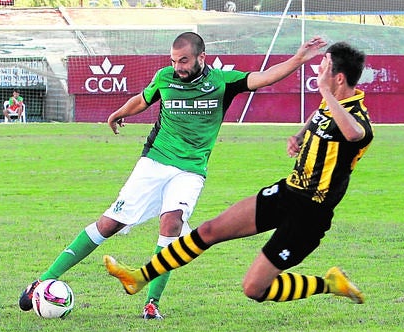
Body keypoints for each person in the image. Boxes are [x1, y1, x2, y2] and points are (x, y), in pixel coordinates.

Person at [18, 32, 328, 319]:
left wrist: (299, 58)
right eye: (173, 61)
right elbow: (143, 99)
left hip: (191, 169)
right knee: (109, 224)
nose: (177, 67)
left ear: (201, 58)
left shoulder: (223, 82)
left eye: (183, 60)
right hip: (154, 162)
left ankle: (152, 303)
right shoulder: (165, 77)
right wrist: (119, 113)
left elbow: (262, 78)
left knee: (172, 222)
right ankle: (44, 280)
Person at [104, 41, 373, 307]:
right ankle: (139, 277)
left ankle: (329, 283)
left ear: (338, 78)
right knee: (209, 230)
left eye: (323, 67)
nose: (318, 72)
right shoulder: (329, 106)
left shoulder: (356, 116)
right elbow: (320, 115)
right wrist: (300, 136)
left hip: (310, 213)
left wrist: (325, 91)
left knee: (254, 288)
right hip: (287, 192)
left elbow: (355, 134)